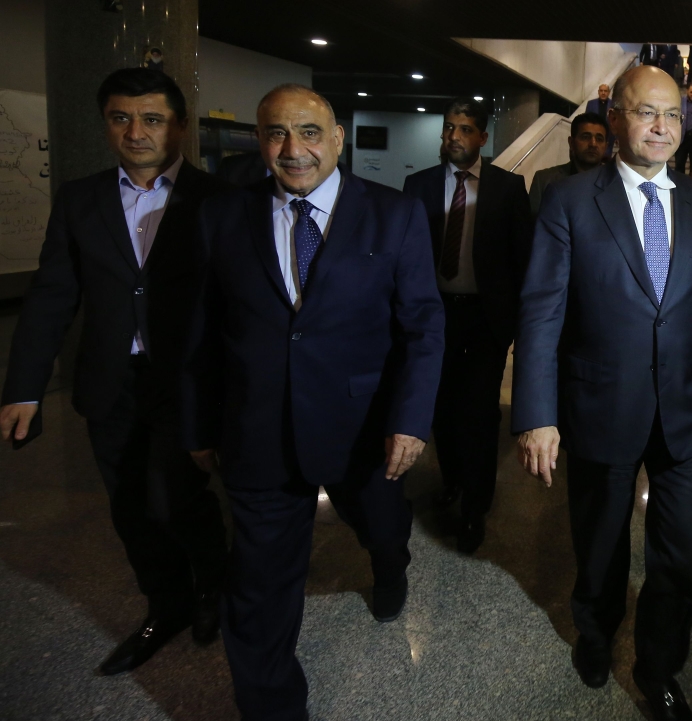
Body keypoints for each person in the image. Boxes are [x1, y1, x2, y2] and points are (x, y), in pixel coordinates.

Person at [181, 84, 445, 720]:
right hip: (258, 432)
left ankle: (390, 565)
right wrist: (197, 425)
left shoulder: (393, 214)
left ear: (337, 139)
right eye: (275, 133)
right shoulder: (222, 216)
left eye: (308, 132)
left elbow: (422, 325)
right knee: (260, 590)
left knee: (382, 525)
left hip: (364, 428)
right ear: (258, 141)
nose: (292, 149)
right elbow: (199, 334)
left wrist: (410, 420)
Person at [514, 65, 692, 721]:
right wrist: (537, 413)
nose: (661, 127)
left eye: (671, 115)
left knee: (681, 552)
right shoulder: (572, 201)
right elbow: (542, 310)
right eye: (644, 113)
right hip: (601, 405)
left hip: (687, 415)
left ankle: (660, 668)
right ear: (615, 121)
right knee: (601, 543)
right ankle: (597, 631)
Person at [0, 68, 230, 674]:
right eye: (120, 118)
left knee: (177, 497)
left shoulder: (217, 201)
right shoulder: (80, 200)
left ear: (179, 125)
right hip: (110, 381)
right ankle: (167, 603)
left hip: (183, 382)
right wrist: (24, 388)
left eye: (152, 118)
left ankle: (212, 585)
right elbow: (52, 296)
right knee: (129, 504)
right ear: (105, 124)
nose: (135, 132)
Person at [403, 97, 532, 553]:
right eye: (448, 128)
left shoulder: (507, 188)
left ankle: (475, 508)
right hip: (433, 315)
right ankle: (453, 481)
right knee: (440, 408)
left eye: (464, 129)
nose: (453, 136)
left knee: (477, 413)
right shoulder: (416, 186)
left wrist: (513, 322)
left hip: (484, 319)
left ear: (481, 137)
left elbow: (523, 259)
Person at [529, 112, 608, 216]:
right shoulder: (544, 180)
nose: (593, 144)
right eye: (585, 137)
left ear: (606, 146)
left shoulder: (616, 184)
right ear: (571, 142)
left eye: (599, 139)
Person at [585, 84, 616, 157]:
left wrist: (617, 137)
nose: (603, 93)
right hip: (593, 135)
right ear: (598, 92)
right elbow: (586, 120)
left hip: (609, 137)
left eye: (605, 91)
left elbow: (616, 121)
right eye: (601, 91)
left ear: (608, 92)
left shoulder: (613, 105)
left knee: (606, 158)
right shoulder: (591, 104)